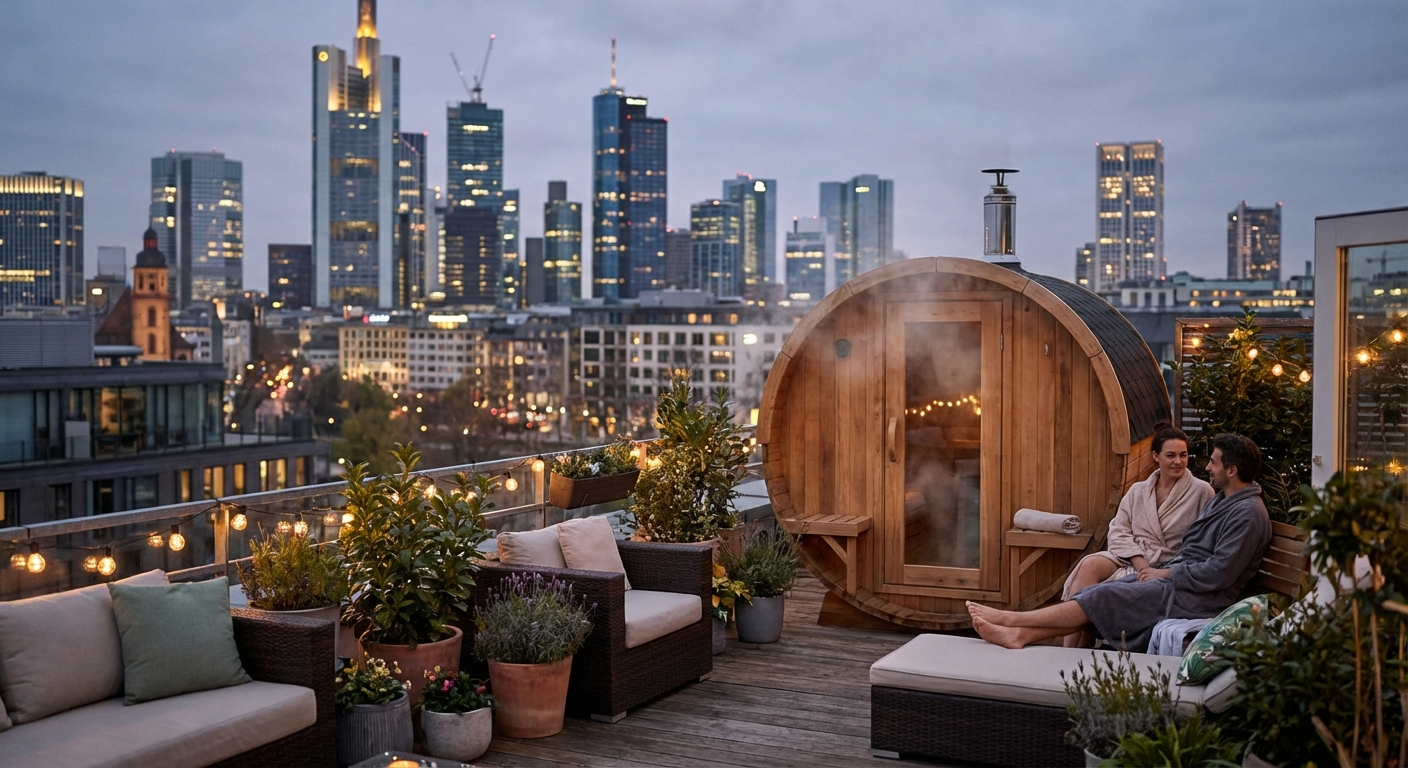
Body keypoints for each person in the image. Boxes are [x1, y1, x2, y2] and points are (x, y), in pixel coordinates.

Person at [967, 433, 1271, 652]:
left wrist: (1165, 573)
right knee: (1101, 592)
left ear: (1232, 471)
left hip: (1200, 597)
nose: (1206, 467)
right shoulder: (1224, 501)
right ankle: (1020, 634)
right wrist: (1154, 567)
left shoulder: (1246, 514)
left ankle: (1011, 619)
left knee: (1104, 597)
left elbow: (1220, 572)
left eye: (1214, 463)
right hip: (1179, 582)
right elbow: (1121, 530)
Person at [1059, 421, 1214, 646]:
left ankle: (1080, 652)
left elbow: (1203, 536)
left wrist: (1161, 570)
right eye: (1171, 455)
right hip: (1131, 556)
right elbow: (1118, 530)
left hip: (1166, 562)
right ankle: (1066, 649)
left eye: (1183, 455)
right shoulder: (1139, 490)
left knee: (1094, 594)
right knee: (1089, 564)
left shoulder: (1201, 491)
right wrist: (1140, 563)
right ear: (1155, 456)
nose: (1178, 461)